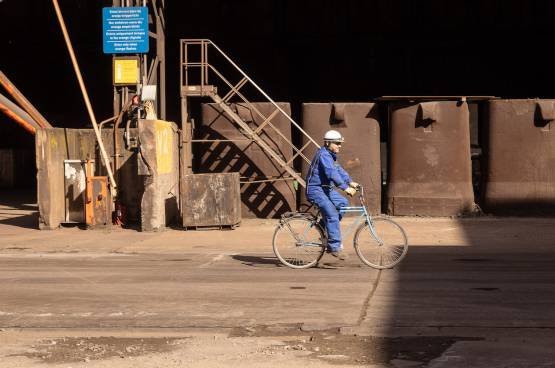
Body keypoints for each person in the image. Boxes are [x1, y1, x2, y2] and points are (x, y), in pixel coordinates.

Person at [306, 130, 359, 260]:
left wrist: (350, 181)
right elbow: (331, 173)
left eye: (340, 143)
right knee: (332, 215)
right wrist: (345, 187)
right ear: (328, 143)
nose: (339, 146)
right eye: (337, 143)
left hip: (325, 189)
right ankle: (334, 247)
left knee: (343, 203)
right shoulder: (324, 155)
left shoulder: (330, 155)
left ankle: (323, 228)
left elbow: (338, 169)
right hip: (316, 190)